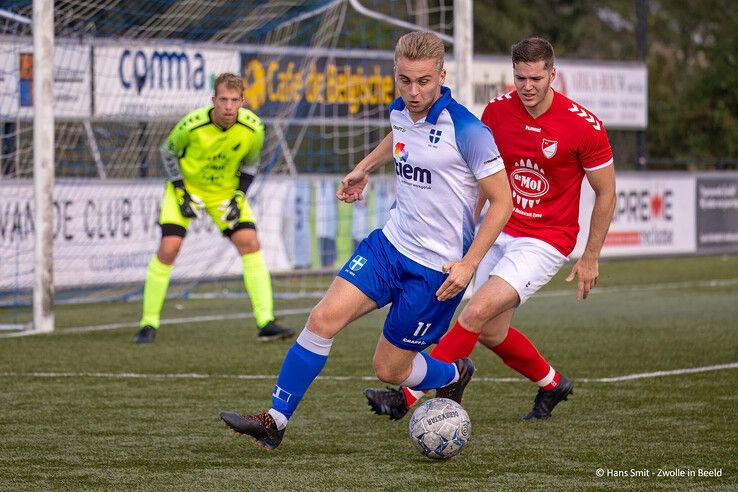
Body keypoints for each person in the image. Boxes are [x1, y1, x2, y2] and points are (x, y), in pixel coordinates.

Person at [218, 31, 513, 450]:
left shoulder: (467, 130)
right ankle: (275, 420)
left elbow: (503, 203)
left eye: (424, 81)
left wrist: (468, 265)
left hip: (437, 272)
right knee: (321, 320)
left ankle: (452, 374)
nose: (414, 91)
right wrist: (365, 167)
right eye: (405, 80)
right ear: (396, 74)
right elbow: (399, 135)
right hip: (389, 247)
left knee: (389, 371)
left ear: (442, 76)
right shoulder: (401, 109)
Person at [365, 36, 617, 421]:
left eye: (536, 78)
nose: (528, 87)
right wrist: (466, 237)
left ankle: (408, 396)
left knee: (475, 312)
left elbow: (606, 192)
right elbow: (480, 175)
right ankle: (553, 384)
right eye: (521, 78)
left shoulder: (584, 126)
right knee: (491, 332)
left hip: (546, 240)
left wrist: (591, 255)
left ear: (553, 74)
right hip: (500, 229)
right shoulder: (498, 112)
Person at [132, 72, 294, 344]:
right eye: (223, 100)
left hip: (225, 192)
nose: (228, 106)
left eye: (234, 100)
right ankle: (148, 323)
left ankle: (266, 321)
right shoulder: (192, 125)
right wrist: (181, 192)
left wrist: (239, 196)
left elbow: (250, 165)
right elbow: (168, 152)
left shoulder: (254, 128)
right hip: (186, 188)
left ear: (242, 101)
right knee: (169, 247)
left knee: (250, 242)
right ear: (213, 100)